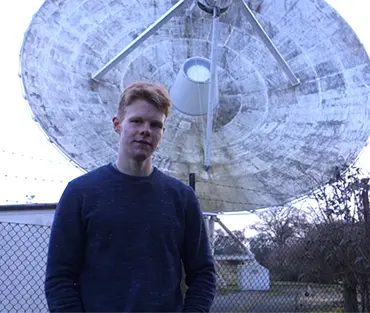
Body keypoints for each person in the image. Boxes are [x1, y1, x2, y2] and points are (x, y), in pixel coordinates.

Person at [44, 81, 216, 312]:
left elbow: (203, 274)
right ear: (118, 124)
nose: (146, 130)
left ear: (162, 133)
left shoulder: (181, 199)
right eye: (136, 121)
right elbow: (60, 278)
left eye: (155, 124)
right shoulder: (80, 193)